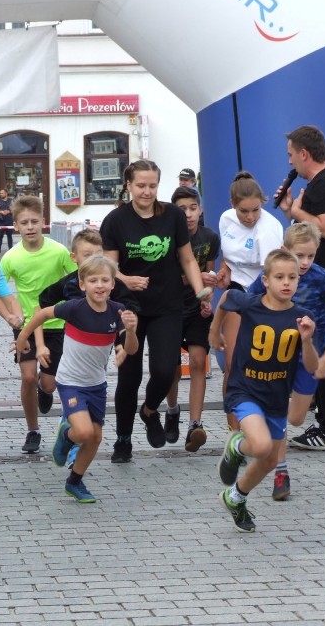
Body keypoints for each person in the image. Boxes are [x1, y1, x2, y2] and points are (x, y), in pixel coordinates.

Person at [99, 160, 209, 463]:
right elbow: (108, 267)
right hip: (128, 307)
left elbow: (187, 259)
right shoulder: (115, 220)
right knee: (129, 376)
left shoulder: (172, 215)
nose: (147, 191)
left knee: (164, 371)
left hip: (167, 304)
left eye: (152, 186)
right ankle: (123, 441)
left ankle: (149, 410)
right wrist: (126, 280)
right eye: (141, 185)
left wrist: (201, 290)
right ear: (129, 185)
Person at [210, 249, 318, 532]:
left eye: (292, 277)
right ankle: (236, 445)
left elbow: (312, 365)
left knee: (269, 460)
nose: (286, 282)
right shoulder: (250, 303)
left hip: (276, 396)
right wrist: (214, 331)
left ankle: (235, 497)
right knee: (260, 446)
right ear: (266, 280)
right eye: (279, 277)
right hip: (244, 389)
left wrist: (306, 341)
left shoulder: (302, 317)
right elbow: (225, 298)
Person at [18, 255, 138, 502]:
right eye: (93, 280)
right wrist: (24, 338)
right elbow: (41, 314)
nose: (99, 285)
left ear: (113, 284)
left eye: (105, 280)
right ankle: (65, 437)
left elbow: (132, 349)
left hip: (97, 385)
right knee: (83, 432)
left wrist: (132, 331)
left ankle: (74, 482)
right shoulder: (74, 308)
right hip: (70, 381)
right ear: (82, 285)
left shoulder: (118, 312)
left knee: (95, 437)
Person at [246, 223, 325, 500]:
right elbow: (246, 303)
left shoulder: (320, 277)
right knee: (279, 415)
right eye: (299, 255)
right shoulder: (274, 275)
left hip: (310, 356)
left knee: (297, 419)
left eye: (310, 256)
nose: (304, 263)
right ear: (284, 250)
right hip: (278, 356)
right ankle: (281, 471)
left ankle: (266, 424)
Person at [278, 125, 325, 450]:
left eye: (291, 155)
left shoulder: (324, 183)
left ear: (304, 153)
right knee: (318, 350)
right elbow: (310, 232)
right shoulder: (322, 182)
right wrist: (291, 214)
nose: (291, 161)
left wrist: (296, 209)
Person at [0, 196, 76, 454]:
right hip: (28, 325)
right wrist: (11, 315)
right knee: (28, 376)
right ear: (15, 226)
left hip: (57, 322)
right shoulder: (11, 257)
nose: (30, 226)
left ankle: (46, 391)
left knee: (49, 384)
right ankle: (33, 430)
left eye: (34, 221)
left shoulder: (58, 251)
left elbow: (78, 278)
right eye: (24, 222)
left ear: (43, 222)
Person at [216, 172, 284, 429]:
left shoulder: (268, 230)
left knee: (261, 365)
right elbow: (227, 251)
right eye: (244, 211)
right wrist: (224, 269)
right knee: (233, 363)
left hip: (263, 295)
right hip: (236, 290)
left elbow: (274, 273)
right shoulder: (225, 219)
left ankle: (263, 422)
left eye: (256, 210)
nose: (250, 217)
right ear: (233, 205)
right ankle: (234, 431)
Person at [164, 185, 219, 451]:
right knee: (171, 369)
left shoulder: (209, 237)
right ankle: (172, 409)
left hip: (197, 309)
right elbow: (164, 281)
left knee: (198, 362)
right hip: (170, 308)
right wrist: (191, 279)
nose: (188, 214)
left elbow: (209, 277)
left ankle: (194, 424)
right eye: (182, 209)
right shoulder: (168, 238)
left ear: (201, 210)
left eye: (193, 208)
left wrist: (207, 300)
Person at [0, 189, 14, 255]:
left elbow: (14, 209)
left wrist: (9, 211)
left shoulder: (11, 201)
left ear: (6, 193)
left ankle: (11, 251)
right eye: (0, 193)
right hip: (1, 221)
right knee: (0, 236)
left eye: (2, 193)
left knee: (9, 236)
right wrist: (1, 212)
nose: (1, 194)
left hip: (9, 221)